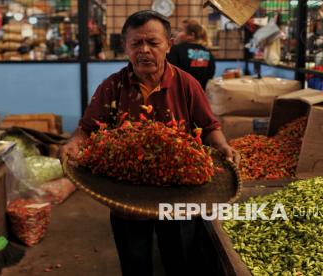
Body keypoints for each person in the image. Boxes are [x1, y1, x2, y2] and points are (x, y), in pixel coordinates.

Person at [60, 10, 239, 276]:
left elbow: (209, 126)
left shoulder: (187, 84)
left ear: (168, 44)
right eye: (136, 43)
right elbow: (87, 129)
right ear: (125, 47)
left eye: (153, 43)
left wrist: (222, 145)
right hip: (127, 191)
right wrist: (74, 144)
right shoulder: (112, 86)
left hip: (178, 190)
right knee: (135, 260)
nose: (144, 50)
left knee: (180, 258)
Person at [167, 19, 215, 90]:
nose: (175, 33)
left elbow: (168, 73)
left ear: (191, 35)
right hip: (200, 94)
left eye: (180, 31)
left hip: (181, 94)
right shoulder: (207, 51)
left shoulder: (176, 49)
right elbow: (211, 73)